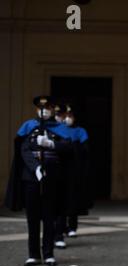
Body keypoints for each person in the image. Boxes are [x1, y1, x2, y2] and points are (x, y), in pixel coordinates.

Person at [5, 96, 73, 266]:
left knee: (49, 216)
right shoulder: (29, 126)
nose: (44, 110)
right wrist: (35, 167)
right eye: (41, 108)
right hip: (31, 176)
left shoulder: (60, 128)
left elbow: (69, 147)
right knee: (32, 217)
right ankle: (33, 254)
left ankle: (48, 253)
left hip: (52, 176)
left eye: (48, 107)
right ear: (36, 109)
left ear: (52, 109)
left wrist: (51, 144)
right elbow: (23, 149)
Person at [54, 104, 91, 248]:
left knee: (73, 197)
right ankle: (60, 228)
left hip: (74, 170)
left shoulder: (80, 131)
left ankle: (72, 227)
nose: (67, 119)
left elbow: (85, 151)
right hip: (58, 170)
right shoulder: (57, 130)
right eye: (65, 116)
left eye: (70, 116)